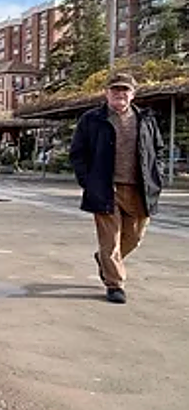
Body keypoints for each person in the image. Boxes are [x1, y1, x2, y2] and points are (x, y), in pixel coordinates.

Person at [70, 71, 165, 304]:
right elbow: (78, 153)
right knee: (110, 239)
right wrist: (88, 181)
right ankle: (115, 284)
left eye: (125, 90)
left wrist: (157, 175)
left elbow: (157, 151)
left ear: (133, 94)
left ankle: (105, 260)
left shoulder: (146, 120)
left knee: (135, 236)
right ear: (107, 93)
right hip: (105, 187)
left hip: (139, 188)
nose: (120, 94)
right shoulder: (92, 119)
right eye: (115, 90)